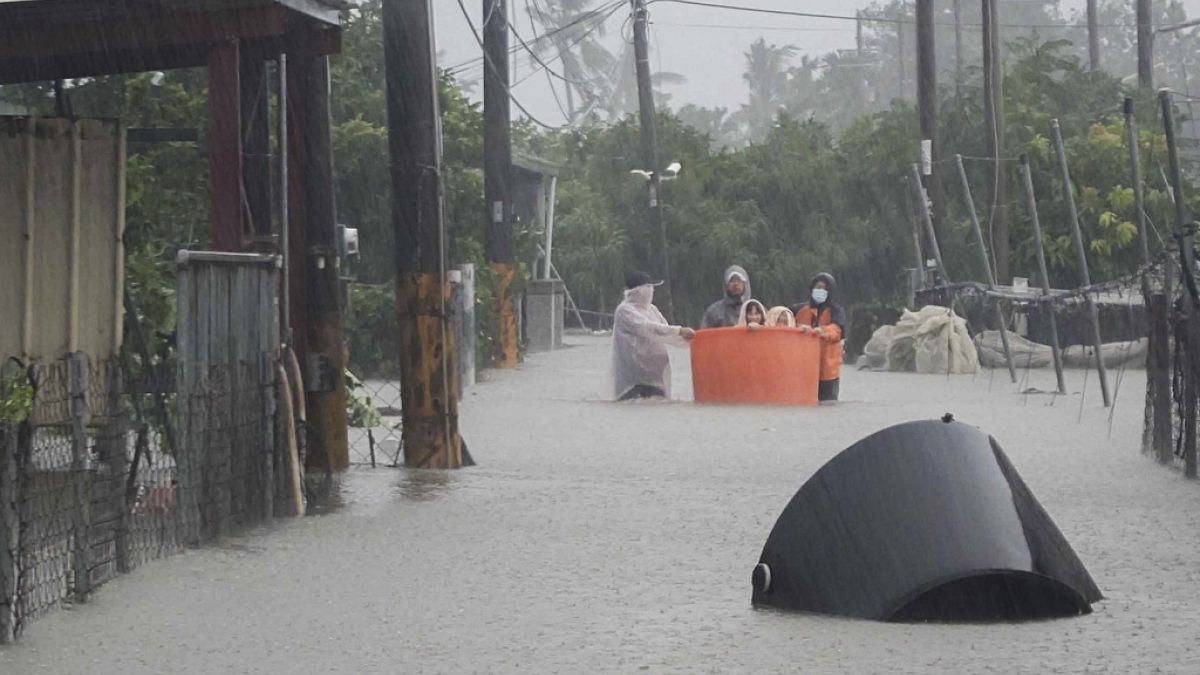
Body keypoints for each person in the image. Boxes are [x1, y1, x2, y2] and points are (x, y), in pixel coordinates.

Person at [611, 271, 696, 400]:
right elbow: (647, 328)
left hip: (656, 376)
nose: (652, 291)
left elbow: (666, 334)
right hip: (634, 378)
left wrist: (693, 340)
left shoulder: (652, 310)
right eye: (649, 287)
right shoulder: (624, 310)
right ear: (639, 290)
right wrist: (679, 330)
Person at [792, 273, 846, 402]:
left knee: (828, 404)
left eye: (824, 288)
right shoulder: (798, 309)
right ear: (812, 289)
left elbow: (837, 331)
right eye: (818, 287)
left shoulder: (836, 311)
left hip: (828, 371)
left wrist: (820, 331)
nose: (820, 291)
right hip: (802, 368)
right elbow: (782, 322)